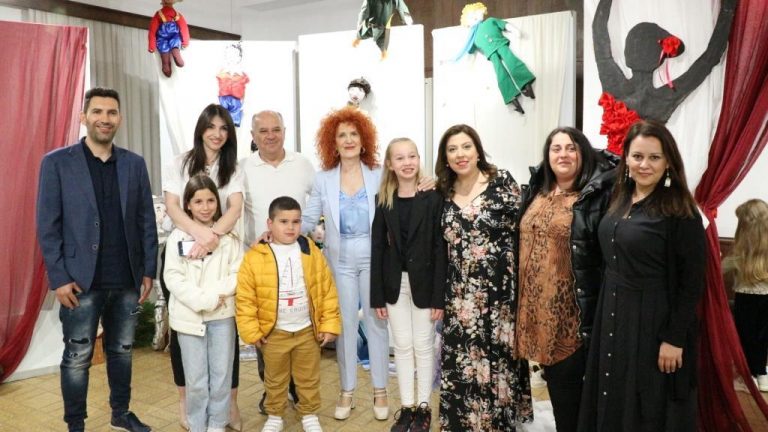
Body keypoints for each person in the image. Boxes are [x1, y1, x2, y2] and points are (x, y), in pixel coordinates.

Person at [36, 87, 157, 432]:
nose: (105, 118)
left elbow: (146, 220)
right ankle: (75, 423)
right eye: (98, 111)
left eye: (112, 112)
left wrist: (148, 270)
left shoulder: (134, 164)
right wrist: (59, 277)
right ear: (84, 117)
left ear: (119, 118)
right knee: (77, 357)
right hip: (79, 282)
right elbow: (47, 225)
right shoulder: (57, 163)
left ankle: (121, 413)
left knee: (122, 351)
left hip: (127, 280)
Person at [577, 120, 707, 432]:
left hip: (652, 320)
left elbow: (692, 282)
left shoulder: (682, 211)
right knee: (611, 393)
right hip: (612, 312)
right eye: (637, 156)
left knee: (645, 404)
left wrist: (674, 338)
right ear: (626, 159)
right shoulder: (620, 198)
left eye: (654, 157)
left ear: (668, 162)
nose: (644, 165)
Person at [514, 127, 617, 432]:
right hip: (536, 315)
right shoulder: (538, 190)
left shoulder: (598, 196)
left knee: (569, 397)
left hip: (571, 318)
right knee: (558, 391)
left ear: (583, 153)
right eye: (556, 148)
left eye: (571, 148)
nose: (563, 154)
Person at [435, 124, 532, 430]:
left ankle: (498, 423)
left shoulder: (501, 181)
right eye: (452, 149)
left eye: (466, 146)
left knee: (499, 359)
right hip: (460, 294)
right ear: (445, 157)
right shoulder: (442, 192)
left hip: (499, 293)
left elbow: (525, 230)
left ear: (477, 150)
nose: (460, 154)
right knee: (464, 359)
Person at [302, 106, 391, 420]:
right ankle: (347, 390)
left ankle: (380, 390)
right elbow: (309, 218)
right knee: (345, 326)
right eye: (342, 135)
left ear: (364, 140)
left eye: (354, 134)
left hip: (374, 259)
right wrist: (281, 230)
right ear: (333, 142)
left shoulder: (380, 174)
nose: (349, 140)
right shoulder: (323, 179)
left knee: (377, 323)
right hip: (339, 262)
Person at [162, 103, 243, 430]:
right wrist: (197, 233)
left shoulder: (232, 167)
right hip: (188, 247)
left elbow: (234, 208)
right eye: (211, 127)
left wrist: (212, 237)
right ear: (200, 129)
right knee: (192, 364)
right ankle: (191, 411)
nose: (217, 134)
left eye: (224, 128)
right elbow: (173, 206)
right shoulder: (180, 163)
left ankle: (221, 416)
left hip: (220, 248)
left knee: (222, 364)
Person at [236, 196, 342, 432]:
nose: (290, 227)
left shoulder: (310, 250)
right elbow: (245, 299)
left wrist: (329, 325)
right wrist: (252, 332)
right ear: (270, 223)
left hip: (307, 331)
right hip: (274, 333)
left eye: (296, 221)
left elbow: (326, 289)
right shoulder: (255, 256)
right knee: (275, 379)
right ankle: (275, 415)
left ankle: (309, 414)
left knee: (308, 377)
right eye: (283, 221)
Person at [370, 138, 447, 432]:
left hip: (425, 285)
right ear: (390, 164)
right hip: (394, 285)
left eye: (411, 156)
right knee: (402, 346)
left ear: (418, 159)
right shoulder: (384, 199)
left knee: (423, 346)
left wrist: (439, 298)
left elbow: (440, 249)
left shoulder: (433, 197)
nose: (407, 163)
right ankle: (407, 408)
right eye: (400, 158)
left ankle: (424, 407)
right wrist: (377, 296)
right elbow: (378, 248)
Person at [240, 109, 313, 412]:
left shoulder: (303, 164)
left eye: (276, 129)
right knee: (267, 329)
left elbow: (317, 202)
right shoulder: (242, 168)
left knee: (297, 325)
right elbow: (235, 212)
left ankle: (297, 389)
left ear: (284, 131)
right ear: (253, 136)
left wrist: (308, 233)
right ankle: (272, 391)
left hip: (298, 261)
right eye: (263, 131)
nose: (270, 136)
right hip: (261, 262)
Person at [722, 199, 768, 392]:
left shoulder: (739, 253)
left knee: (745, 337)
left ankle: (748, 376)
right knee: (762, 338)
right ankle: (762, 375)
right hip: (766, 298)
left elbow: (720, 270)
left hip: (745, 299)